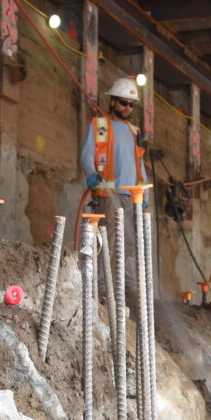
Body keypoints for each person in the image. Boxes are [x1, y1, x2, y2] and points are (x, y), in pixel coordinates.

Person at [79, 77, 149, 288]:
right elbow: (86, 155)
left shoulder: (134, 132)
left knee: (130, 241)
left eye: (131, 104)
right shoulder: (100, 125)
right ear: (113, 101)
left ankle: (128, 284)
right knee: (106, 238)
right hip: (108, 195)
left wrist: (145, 193)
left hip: (132, 196)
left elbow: (140, 164)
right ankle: (100, 284)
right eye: (123, 102)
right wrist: (91, 173)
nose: (127, 108)